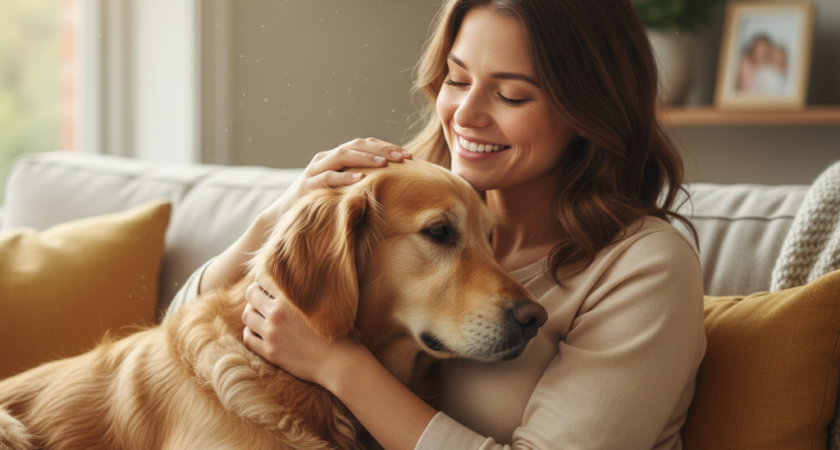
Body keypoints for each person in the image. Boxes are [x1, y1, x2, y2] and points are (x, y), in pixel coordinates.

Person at [166, 0, 706, 449]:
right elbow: (178, 347)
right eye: (457, 78)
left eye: (512, 94)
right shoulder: (408, 199)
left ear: (591, 108)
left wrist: (340, 367)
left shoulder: (647, 267)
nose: (466, 115)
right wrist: (280, 217)